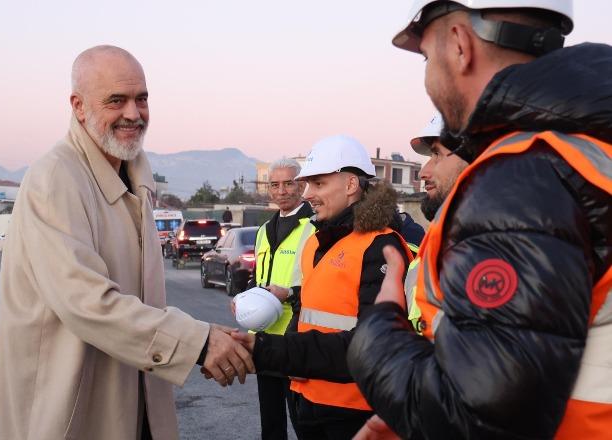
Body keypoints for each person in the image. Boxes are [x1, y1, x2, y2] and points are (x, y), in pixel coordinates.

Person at [347, 1, 612, 438]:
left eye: (427, 57)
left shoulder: (522, 177)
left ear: (459, 44)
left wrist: (376, 333)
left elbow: (477, 419)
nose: (429, 78)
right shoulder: (587, 151)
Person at [0, 46, 254, 440]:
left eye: (141, 98)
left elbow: (139, 299)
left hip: (136, 402)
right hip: (67, 416)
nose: (134, 113)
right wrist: (196, 342)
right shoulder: (55, 178)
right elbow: (87, 302)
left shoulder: (134, 178)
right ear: (78, 106)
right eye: (117, 100)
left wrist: (206, 334)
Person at [237, 135, 412, 440]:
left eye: (318, 184)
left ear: (350, 184)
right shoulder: (317, 242)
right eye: (307, 185)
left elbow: (370, 345)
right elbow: (311, 308)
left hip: (355, 413)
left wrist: (273, 351)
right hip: (309, 403)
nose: (308, 195)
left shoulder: (382, 247)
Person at [250, 157, 315, 440]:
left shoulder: (315, 227)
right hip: (265, 337)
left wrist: (289, 293)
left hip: (298, 336)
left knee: (305, 421)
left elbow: (322, 285)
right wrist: (245, 299)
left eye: (289, 183)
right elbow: (258, 278)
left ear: (301, 185)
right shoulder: (264, 231)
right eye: (274, 185)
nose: (281, 191)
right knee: (271, 423)